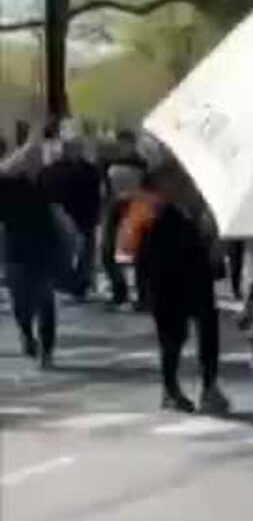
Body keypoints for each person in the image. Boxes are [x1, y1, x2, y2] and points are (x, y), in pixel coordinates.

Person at [136, 160, 231, 415]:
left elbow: (211, 244)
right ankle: (170, 389)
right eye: (176, 179)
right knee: (172, 338)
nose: (184, 184)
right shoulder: (151, 211)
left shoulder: (198, 208)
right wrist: (143, 288)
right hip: (165, 281)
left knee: (207, 333)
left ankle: (209, 387)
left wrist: (215, 245)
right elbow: (140, 252)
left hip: (197, 277)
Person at [0, 138, 62, 367]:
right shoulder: (8, 184)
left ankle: (47, 349)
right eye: (30, 159)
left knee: (46, 300)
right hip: (15, 250)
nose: (35, 162)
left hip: (44, 249)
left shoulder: (48, 181)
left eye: (38, 158)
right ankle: (26, 333)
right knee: (21, 301)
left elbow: (57, 211)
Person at [41, 131, 102, 301]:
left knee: (75, 253)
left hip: (73, 215)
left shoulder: (52, 170)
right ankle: (76, 284)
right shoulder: (87, 170)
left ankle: (74, 284)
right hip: (76, 216)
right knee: (80, 253)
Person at [101, 131, 147, 308]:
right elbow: (105, 186)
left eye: (127, 143)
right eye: (121, 143)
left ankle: (144, 296)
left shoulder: (142, 163)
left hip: (135, 207)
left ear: (133, 144)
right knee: (107, 251)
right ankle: (119, 291)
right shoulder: (110, 161)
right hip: (114, 207)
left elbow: (148, 187)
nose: (123, 147)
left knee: (139, 253)